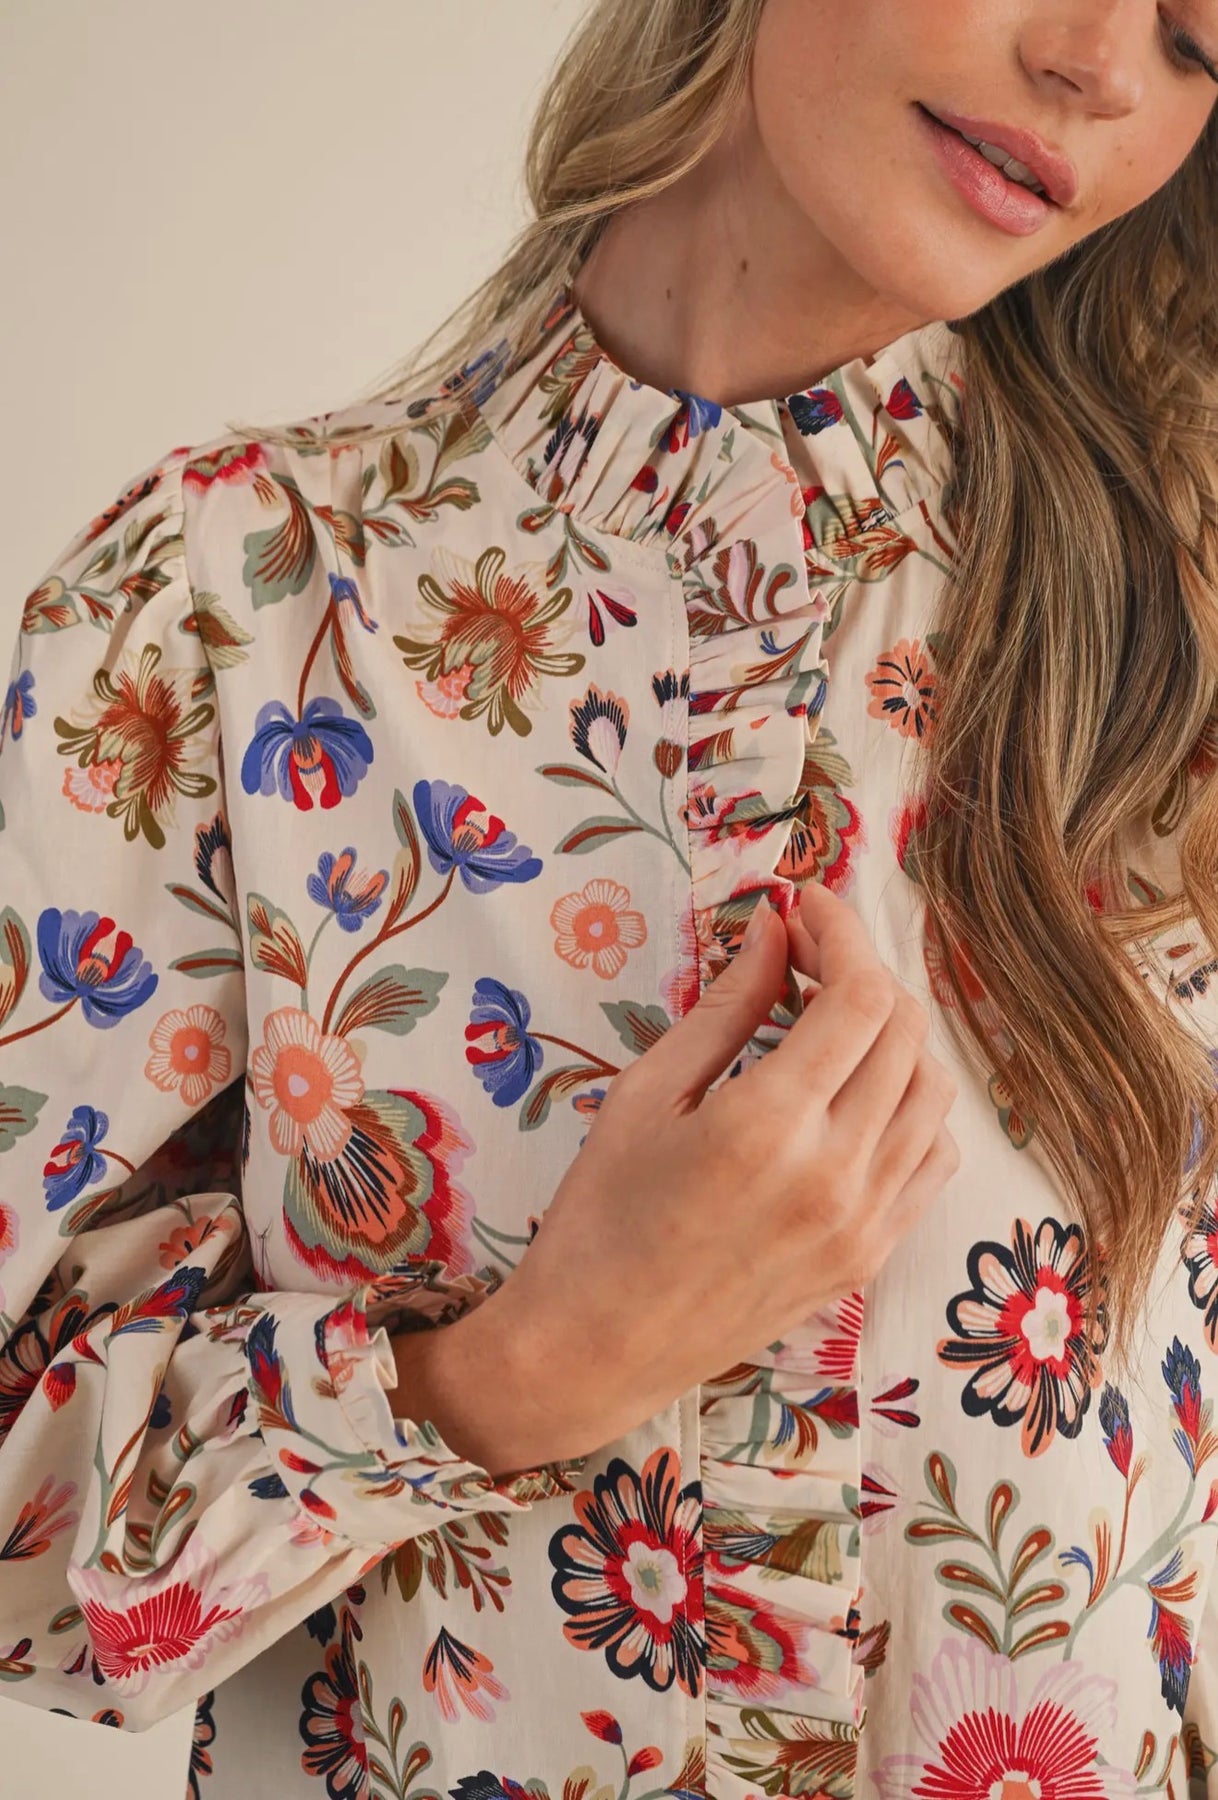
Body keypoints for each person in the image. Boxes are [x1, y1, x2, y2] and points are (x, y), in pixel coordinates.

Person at [4, 0, 1218, 1795]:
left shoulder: (1171, 641)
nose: (1103, 68)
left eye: (1198, 40)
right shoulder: (227, 610)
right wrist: (526, 1372)